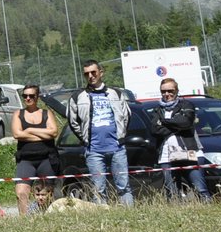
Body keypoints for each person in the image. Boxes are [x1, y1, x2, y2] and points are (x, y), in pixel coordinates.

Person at [65, 61, 134, 206]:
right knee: (98, 189)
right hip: (94, 150)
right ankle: (103, 220)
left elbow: (127, 116)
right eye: (86, 74)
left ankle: (129, 215)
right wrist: (85, 139)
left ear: (101, 73)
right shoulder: (78, 96)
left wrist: (120, 136)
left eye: (93, 72)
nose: (90, 76)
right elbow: (72, 121)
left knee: (124, 186)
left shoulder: (116, 93)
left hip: (117, 148)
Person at [152, 77, 210, 202]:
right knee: (172, 192)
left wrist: (164, 122)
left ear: (177, 91)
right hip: (166, 156)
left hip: (190, 152)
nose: (167, 94)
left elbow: (186, 123)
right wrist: (176, 125)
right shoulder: (157, 109)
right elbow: (155, 130)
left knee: (200, 189)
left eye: (170, 91)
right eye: (163, 91)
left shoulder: (187, 105)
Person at [10, 85, 59, 215]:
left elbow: (54, 132)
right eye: (25, 96)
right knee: (21, 192)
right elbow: (17, 134)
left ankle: (47, 217)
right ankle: (25, 220)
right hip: (26, 159)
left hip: (46, 158)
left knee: (47, 192)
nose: (28, 98)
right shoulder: (18, 114)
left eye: (31, 96)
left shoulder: (46, 113)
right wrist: (43, 135)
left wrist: (30, 130)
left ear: (37, 97)